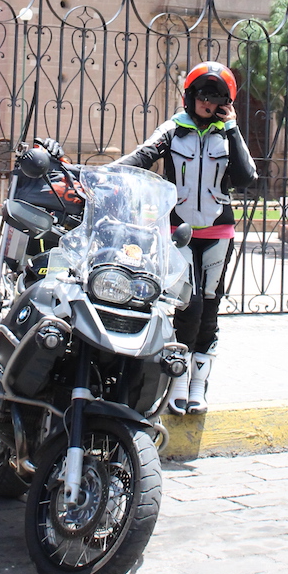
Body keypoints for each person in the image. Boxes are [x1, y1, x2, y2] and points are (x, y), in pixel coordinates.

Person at [116, 62, 258, 414]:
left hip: (218, 233)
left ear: (226, 103)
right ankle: (178, 380)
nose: (209, 103)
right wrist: (100, 174)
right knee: (187, 305)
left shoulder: (227, 134)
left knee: (209, 307)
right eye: (204, 95)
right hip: (178, 233)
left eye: (217, 98)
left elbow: (246, 177)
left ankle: (198, 385)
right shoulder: (173, 129)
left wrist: (232, 128)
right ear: (190, 96)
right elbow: (140, 157)